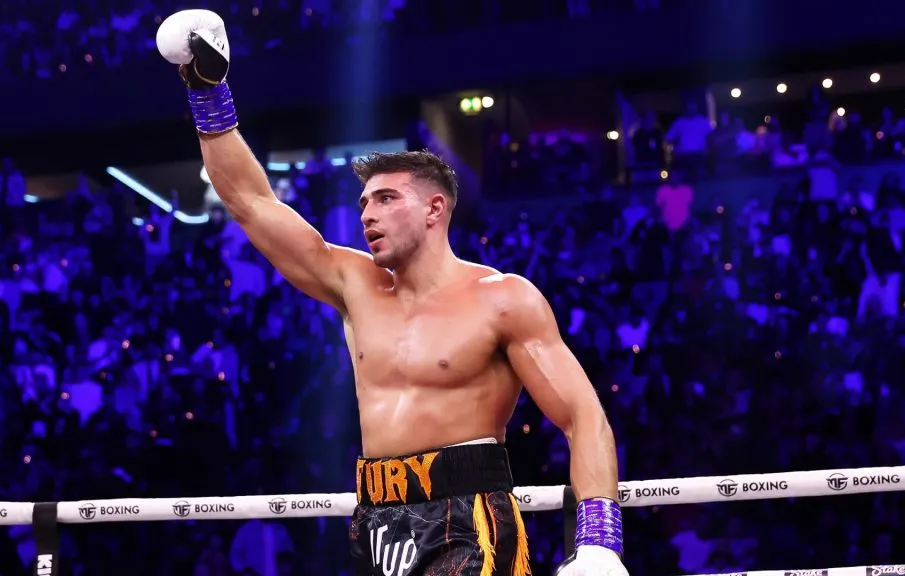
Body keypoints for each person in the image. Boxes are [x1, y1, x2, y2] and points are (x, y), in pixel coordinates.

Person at [156, 10, 629, 576]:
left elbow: (584, 418)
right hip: (376, 519)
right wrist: (209, 91)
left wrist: (599, 542)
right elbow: (252, 205)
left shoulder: (503, 298)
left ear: (435, 209)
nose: (367, 214)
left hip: (467, 516)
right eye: (363, 203)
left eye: (385, 199)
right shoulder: (354, 284)